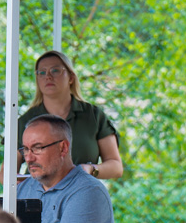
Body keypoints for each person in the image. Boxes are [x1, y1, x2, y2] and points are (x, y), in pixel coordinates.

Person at [7, 50, 123, 181]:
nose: (48, 76)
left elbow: (116, 167)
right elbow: (6, 175)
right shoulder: (26, 121)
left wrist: (90, 169)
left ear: (71, 78)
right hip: (39, 198)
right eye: (42, 72)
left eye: (55, 70)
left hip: (83, 194)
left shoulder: (93, 116)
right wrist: (30, 185)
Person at [16, 114, 115, 223]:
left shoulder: (88, 192)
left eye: (37, 148)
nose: (29, 158)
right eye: (25, 149)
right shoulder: (23, 188)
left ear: (63, 148)